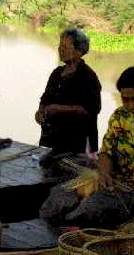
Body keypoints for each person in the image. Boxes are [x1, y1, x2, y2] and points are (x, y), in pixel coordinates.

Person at [40, 66, 134, 228]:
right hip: (114, 183)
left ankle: (73, 230)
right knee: (57, 198)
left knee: (92, 208)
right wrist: (104, 173)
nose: (131, 106)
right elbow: (107, 152)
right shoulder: (120, 116)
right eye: (125, 100)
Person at [35, 28, 101, 160]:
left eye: (65, 46)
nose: (61, 49)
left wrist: (58, 109)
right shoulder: (56, 73)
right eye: (60, 46)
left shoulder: (88, 76)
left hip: (78, 145)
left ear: (79, 51)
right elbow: (45, 99)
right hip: (53, 142)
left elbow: (92, 109)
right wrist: (40, 112)